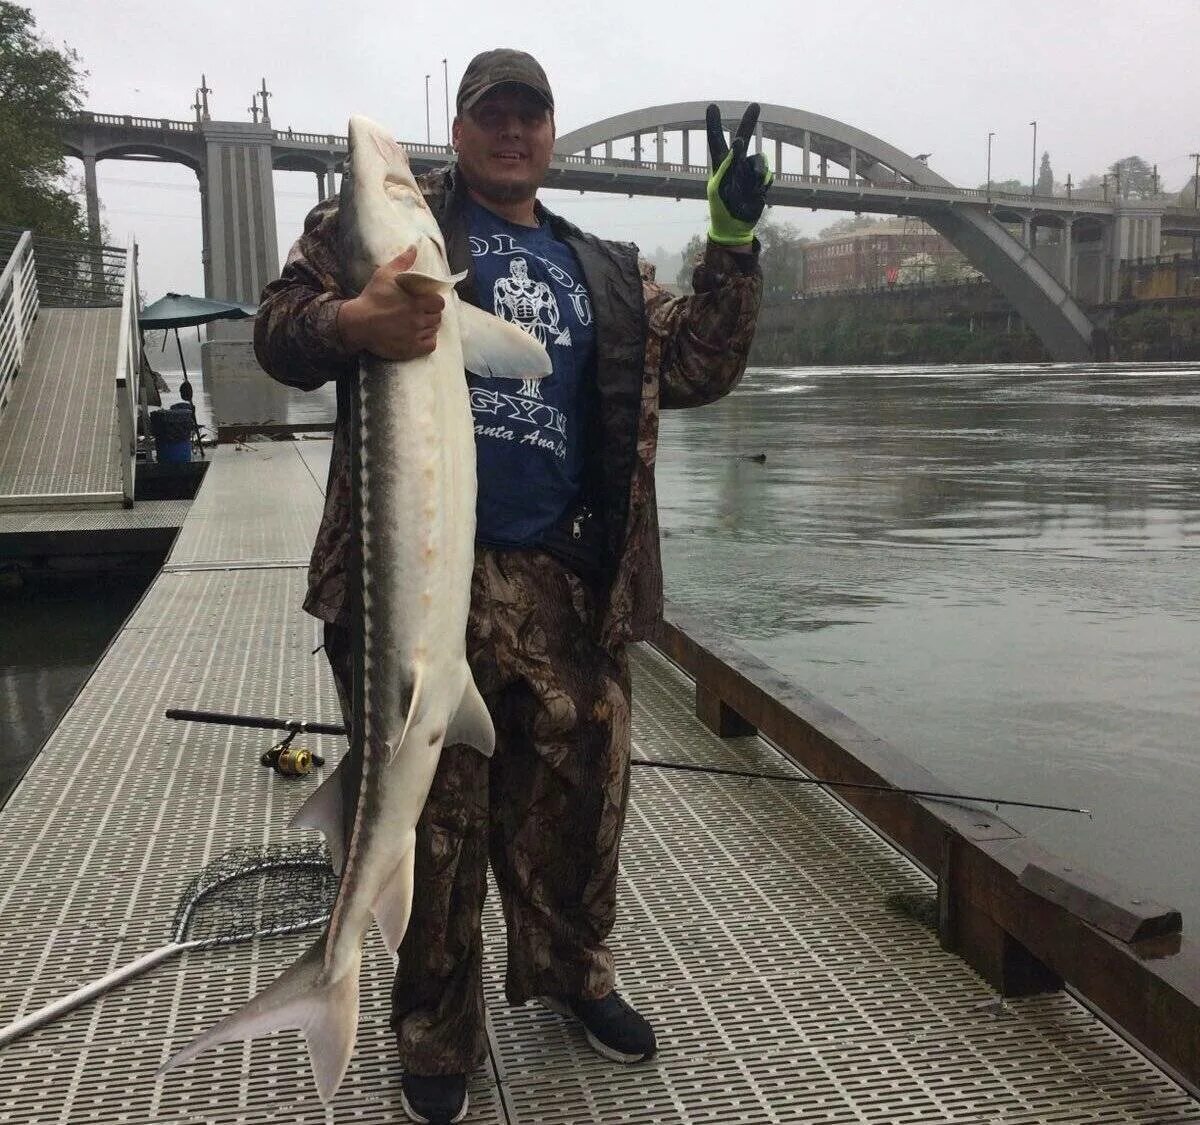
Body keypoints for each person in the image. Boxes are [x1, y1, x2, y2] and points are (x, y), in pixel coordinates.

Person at [254, 49, 770, 1125]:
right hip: (416, 579)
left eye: (530, 116)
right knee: (434, 829)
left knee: (578, 811)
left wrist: (730, 249)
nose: (512, 132)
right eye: (492, 114)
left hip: (570, 585)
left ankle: (579, 979)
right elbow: (279, 334)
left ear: (552, 133)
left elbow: (701, 367)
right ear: (459, 127)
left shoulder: (610, 266)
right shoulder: (379, 238)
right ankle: (434, 1032)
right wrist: (354, 321)